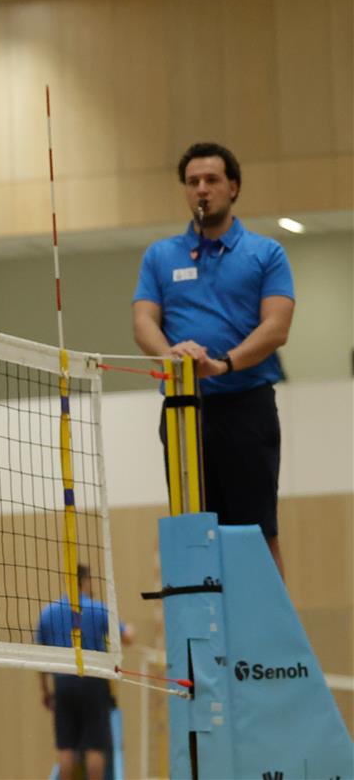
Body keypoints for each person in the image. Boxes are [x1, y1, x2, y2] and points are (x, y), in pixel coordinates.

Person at [132, 141, 295, 578]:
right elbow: (143, 321)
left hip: (247, 405)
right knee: (194, 529)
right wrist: (173, 356)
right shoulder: (160, 256)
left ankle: (265, 621)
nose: (202, 189)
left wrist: (223, 364)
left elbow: (276, 326)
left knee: (256, 531)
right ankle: (203, 621)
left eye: (211, 180)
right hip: (185, 408)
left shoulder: (266, 253)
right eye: (193, 182)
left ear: (233, 187)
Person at [36, 564, 135, 780]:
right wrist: (130, 628)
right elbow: (127, 637)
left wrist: (45, 691)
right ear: (85, 580)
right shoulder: (98, 609)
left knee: (66, 748)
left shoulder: (48, 613)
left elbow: (40, 658)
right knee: (94, 746)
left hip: (63, 682)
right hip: (93, 681)